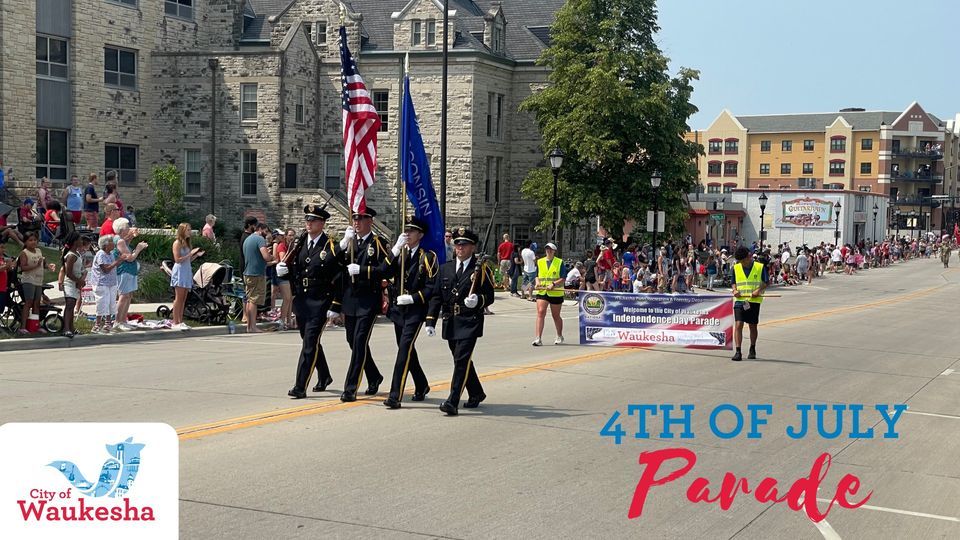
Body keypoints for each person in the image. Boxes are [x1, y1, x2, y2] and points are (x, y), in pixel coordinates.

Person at [425, 227, 495, 416]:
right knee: (460, 360)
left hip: (470, 320)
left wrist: (478, 301)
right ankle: (476, 393)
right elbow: (437, 297)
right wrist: (430, 320)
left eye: (464, 244)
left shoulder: (480, 269)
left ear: (472, 247)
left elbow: (489, 296)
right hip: (451, 320)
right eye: (457, 244)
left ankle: (452, 401)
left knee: (461, 361)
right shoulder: (446, 267)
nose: (460, 248)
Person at [279, 204, 341, 399]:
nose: (309, 223)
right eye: (307, 220)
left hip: (321, 300)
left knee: (309, 343)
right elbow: (297, 271)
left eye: (313, 220)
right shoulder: (300, 243)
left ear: (322, 223)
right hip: (303, 301)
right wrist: (285, 271)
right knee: (309, 341)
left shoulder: (329, 245)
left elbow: (339, 276)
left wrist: (336, 304)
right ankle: (324, 375)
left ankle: (300, 385)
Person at [381, 216, 439, 409]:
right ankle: (421, 384)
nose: (407, 233)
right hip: (398, 310)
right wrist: (394, 250)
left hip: (415, 309)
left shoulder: (428, 257)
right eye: (405, 229)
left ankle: (395, 395)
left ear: (420, 235)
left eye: (412, 230)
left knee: (404, 350)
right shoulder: (400, 253)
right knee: (407, 349)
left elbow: (432, 287)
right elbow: (384, 271)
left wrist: (414, 297)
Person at [336, 207, 389, 402]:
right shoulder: (350, 243)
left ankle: (350, 388)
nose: (356, 222)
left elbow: (386, 268)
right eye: (355, 218)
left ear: (370, 221)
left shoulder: (378, 243)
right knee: (352, 341)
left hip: (368, 300)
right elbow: (336, 268)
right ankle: (374, 376)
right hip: (350, 300)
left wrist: (363, 270)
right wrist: (342, 245)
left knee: (359, 342)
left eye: (361, 219)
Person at [730, 246, 768, 361]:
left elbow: (765, 281)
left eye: (743, 260)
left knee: (752, 326)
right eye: (739, 261)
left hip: (753, 301)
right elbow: (733, 282)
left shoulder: (759, 267)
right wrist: (735, 290)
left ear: (749, 257)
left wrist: (758, 290)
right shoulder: (736, 268)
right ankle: (738, 351)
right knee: (738, 324)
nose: (741, 263)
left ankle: (752, 348)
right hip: (740, 300)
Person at [17, 232, 55, 334]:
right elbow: (23, 268)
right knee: (28, 302)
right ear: (25, 242)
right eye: (30, 240)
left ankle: (35, 326)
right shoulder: (24, 253)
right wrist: (36, 265)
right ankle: (23, 327)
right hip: (29, 280)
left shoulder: (39, 250)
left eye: (35, 240)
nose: (33, 242)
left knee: (37, 304)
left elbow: (43, 263)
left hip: (38, 281)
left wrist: (48, 266)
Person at [113, 218, 147, 331]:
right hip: (124, 271)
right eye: (127, 227)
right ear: (122, 229)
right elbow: (130, 258)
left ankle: (123, 319)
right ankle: (118, 321)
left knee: (128, 295)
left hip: (130, 271)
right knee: (123, 296)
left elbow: (127, 243)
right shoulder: (119, 241)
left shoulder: (123, 240)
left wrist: (132, 236)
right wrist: (138, 249)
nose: (129, 229)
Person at [171, 222, 204, 330]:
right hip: (179, 271)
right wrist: (190, 253)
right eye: (188, 230)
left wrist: (195, 255)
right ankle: (175, 321)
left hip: (186, 270)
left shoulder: (187, 243)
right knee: (178, 298)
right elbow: (177, 259)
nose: (190, 232)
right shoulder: (177, 243)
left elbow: (187, 260)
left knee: (184, 298)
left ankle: (180, 321)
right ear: (182, 231)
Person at [242, 222, 273, 333]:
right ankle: (252, 326)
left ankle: (249, 326)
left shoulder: (248, 239)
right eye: (265, 231)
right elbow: (266, 256)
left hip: (248, 272)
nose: (266, 234)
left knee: (250, 300)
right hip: (256, 274)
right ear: (260, 229)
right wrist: (271, 256)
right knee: (254, 301)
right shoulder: (259, 239)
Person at [532, 242, 566, 346]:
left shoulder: (559, 262)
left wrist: (554, 284)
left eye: (550, 249)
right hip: (543, 291)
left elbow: (563, 278)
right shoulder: (540, 261)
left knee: (556, 316)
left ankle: (559, 335)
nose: (548, 251)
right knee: (541, 312)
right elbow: (537, 275)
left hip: (555, 292)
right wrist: (537, 282)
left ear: (554, 251)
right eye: (547, 249)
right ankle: (538, 338)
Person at [58, 232, 89, 338]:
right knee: (70, 306)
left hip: (76, 283)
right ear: (75, 241)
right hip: (70, 283)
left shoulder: (77, 254)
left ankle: (71, 328)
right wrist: (78, 281)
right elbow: (68, 273)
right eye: (80, 240)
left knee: (72, 305)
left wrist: (82, 277)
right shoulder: (71, 255)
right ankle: (66, 329)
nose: (82, 242)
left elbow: (79, 270)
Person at [90, 234, 122, 334]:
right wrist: (118, 261)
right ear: (106, 245)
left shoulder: (110, 254)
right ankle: (97, 325)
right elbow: (105, 269)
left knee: (111, 303)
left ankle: (108, 324)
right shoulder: (101, 254)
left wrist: (119, 260)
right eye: (111, 242)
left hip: (111, 283)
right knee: (102, 303)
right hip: (101, 283)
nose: (114, 244)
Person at [271, 228, 295, 330]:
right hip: (282, 274)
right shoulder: (282, 246)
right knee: (287, 298)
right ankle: (282, 320)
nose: (291, 237)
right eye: (289, 235)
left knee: (290, 299)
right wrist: (292, 251)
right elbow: (283, 259)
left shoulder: (292, 246)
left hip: (290, 274)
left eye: (293, 235)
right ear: (285, 236)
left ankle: (289, 321)